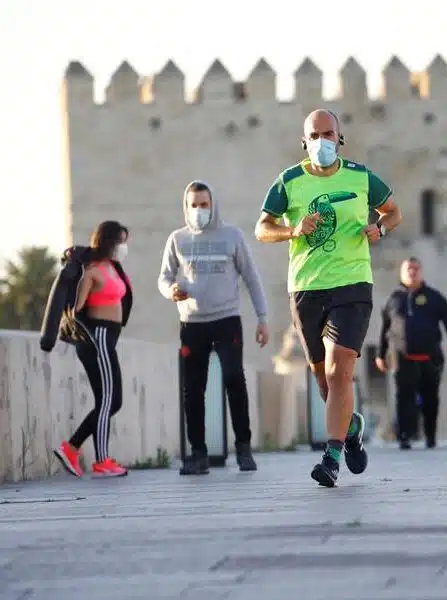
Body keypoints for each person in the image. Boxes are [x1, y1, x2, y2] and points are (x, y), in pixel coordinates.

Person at [254, 108, 402, 487]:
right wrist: (292, 230)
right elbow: (262, 229)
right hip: (306, 288)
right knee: (325, 383)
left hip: (352, 284)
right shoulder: (289, 181)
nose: (322, 141)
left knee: (339, 373)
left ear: (340, 138)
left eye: (328, 134)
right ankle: (351, 428)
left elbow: (393, 212)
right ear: (304, 142)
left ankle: (331, 458)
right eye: (315, 135)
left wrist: (380, 229)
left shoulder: (360, 176)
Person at [158, 180, 269, 475]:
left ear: (213, 204)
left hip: (227, 320)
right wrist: (171, 291)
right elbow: (164, 278)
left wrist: (262, 318)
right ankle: (198, 454)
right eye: (193, 205)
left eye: (204, 204)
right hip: (192, 324)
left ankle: (243, 448)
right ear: (186, 207)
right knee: (193, 389)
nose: (199, 210)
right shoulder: (177, 239)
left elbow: (252, 278)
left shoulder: (232, 236)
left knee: (234, 379)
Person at [42, 220, 133, 478]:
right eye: (120, 241)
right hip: (99, 338)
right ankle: (102, 461)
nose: (124, 247)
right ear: (108, 242)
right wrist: (90, 337)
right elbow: (76, 311)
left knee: (113, 401)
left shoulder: (114, 268)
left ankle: (71, 447)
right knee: (107, 400)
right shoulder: (92, 272)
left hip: (110, 338)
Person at [375, 257, 447, 450]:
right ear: (402, 273)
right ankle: (405, 436)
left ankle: (430, 436)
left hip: (430, 356)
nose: (412, 272)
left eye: (416, 268)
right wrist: (381, 354)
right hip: (402, 357)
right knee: (404, 397)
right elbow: (385, 328)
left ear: (421, 272)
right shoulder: (394, 299)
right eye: (408, 269)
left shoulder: (434, 297)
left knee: (430, 397)